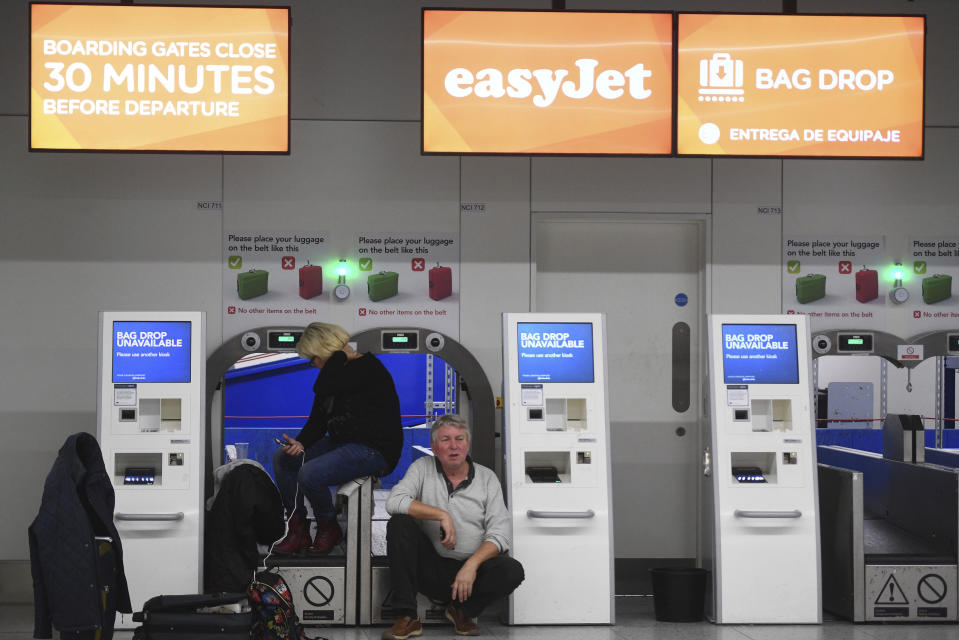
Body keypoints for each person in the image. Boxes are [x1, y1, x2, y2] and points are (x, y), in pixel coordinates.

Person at [383, 414, 524, 639]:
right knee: (399, 524)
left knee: (511, 570)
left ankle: (462, 611)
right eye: (445, 440)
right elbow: (394, 501)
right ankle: (407, 616)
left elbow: (500, 534)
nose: (454, 446)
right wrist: (441, 515)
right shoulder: (422, 468)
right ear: (434, 446)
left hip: (472, 575)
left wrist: (472, 565)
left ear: (467, 444)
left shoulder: (487, 478)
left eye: (459, 439)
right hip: (431, 568)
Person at [272, 322, 403, 555]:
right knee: (284, 460)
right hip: (343, 443)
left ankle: (328, 527)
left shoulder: (367, 367)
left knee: (310, 474)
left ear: (325, 352)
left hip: (375, 449)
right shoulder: (331, 377)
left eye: (313, 358)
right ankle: (298, 528)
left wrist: (337, 356)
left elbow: (323, 385)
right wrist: (300, 443)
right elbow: (318, 421)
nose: (312, 365)